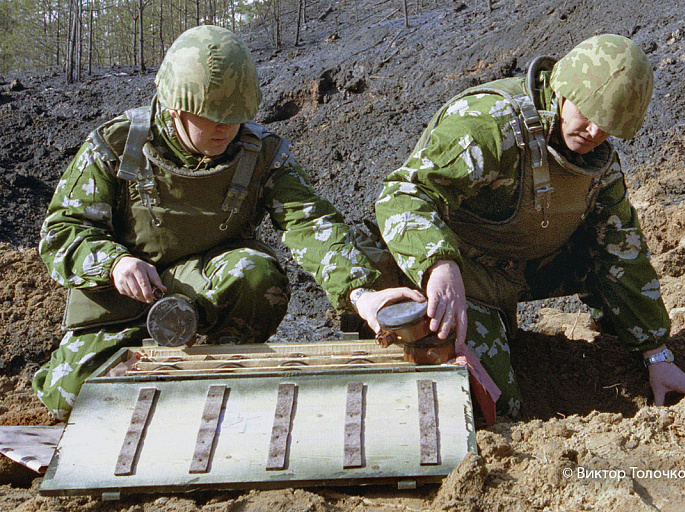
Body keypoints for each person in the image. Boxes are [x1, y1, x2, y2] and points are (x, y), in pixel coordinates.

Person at [34, 25, 419, 420]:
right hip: (125, 299)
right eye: (209, 117)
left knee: (256, 274)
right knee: (77, 401)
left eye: (234, 117)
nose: (224, 128)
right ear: (174, 107)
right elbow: (63, 232)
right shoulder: (116, 147)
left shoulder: (262, 154)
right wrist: (114, 263)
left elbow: (311, 223)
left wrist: (362, 293)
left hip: (208, 289)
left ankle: (217, 374)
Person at [366, 34, 685, 417]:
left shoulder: (597, 162)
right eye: (588, 115)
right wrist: (439, 263)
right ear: (562, 89)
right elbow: (401, 194)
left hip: (520, 266)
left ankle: (619, 349)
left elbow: (622, 249)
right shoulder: (489, 126)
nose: (594, 133)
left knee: (603, 247)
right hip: (462, 277)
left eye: (608, 127)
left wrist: (657, 354)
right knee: (499, 407)